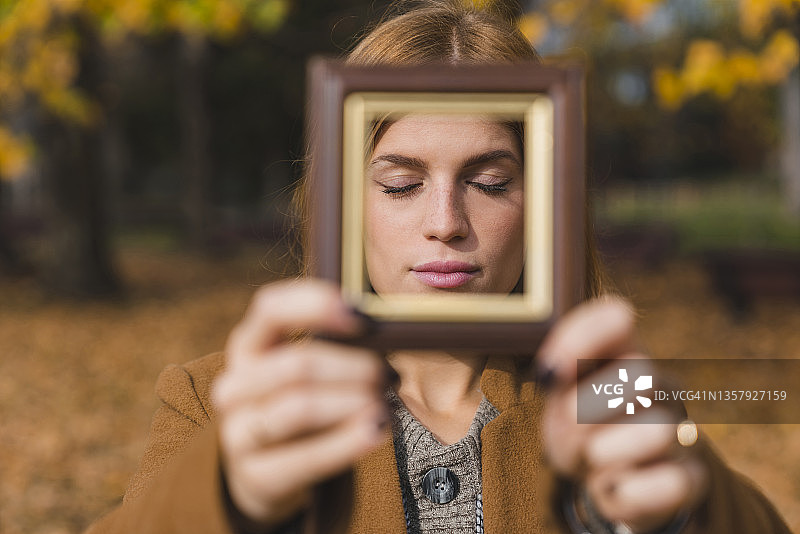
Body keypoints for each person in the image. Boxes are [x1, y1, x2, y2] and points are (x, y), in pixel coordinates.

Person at [87, 1, 791, 533]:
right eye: (401, 183)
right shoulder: (218, 400)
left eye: (489, 182)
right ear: (339, 201)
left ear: (546, 200)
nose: (445, 221)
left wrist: (691, 498)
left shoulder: (609, 399)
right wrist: (226, 496)